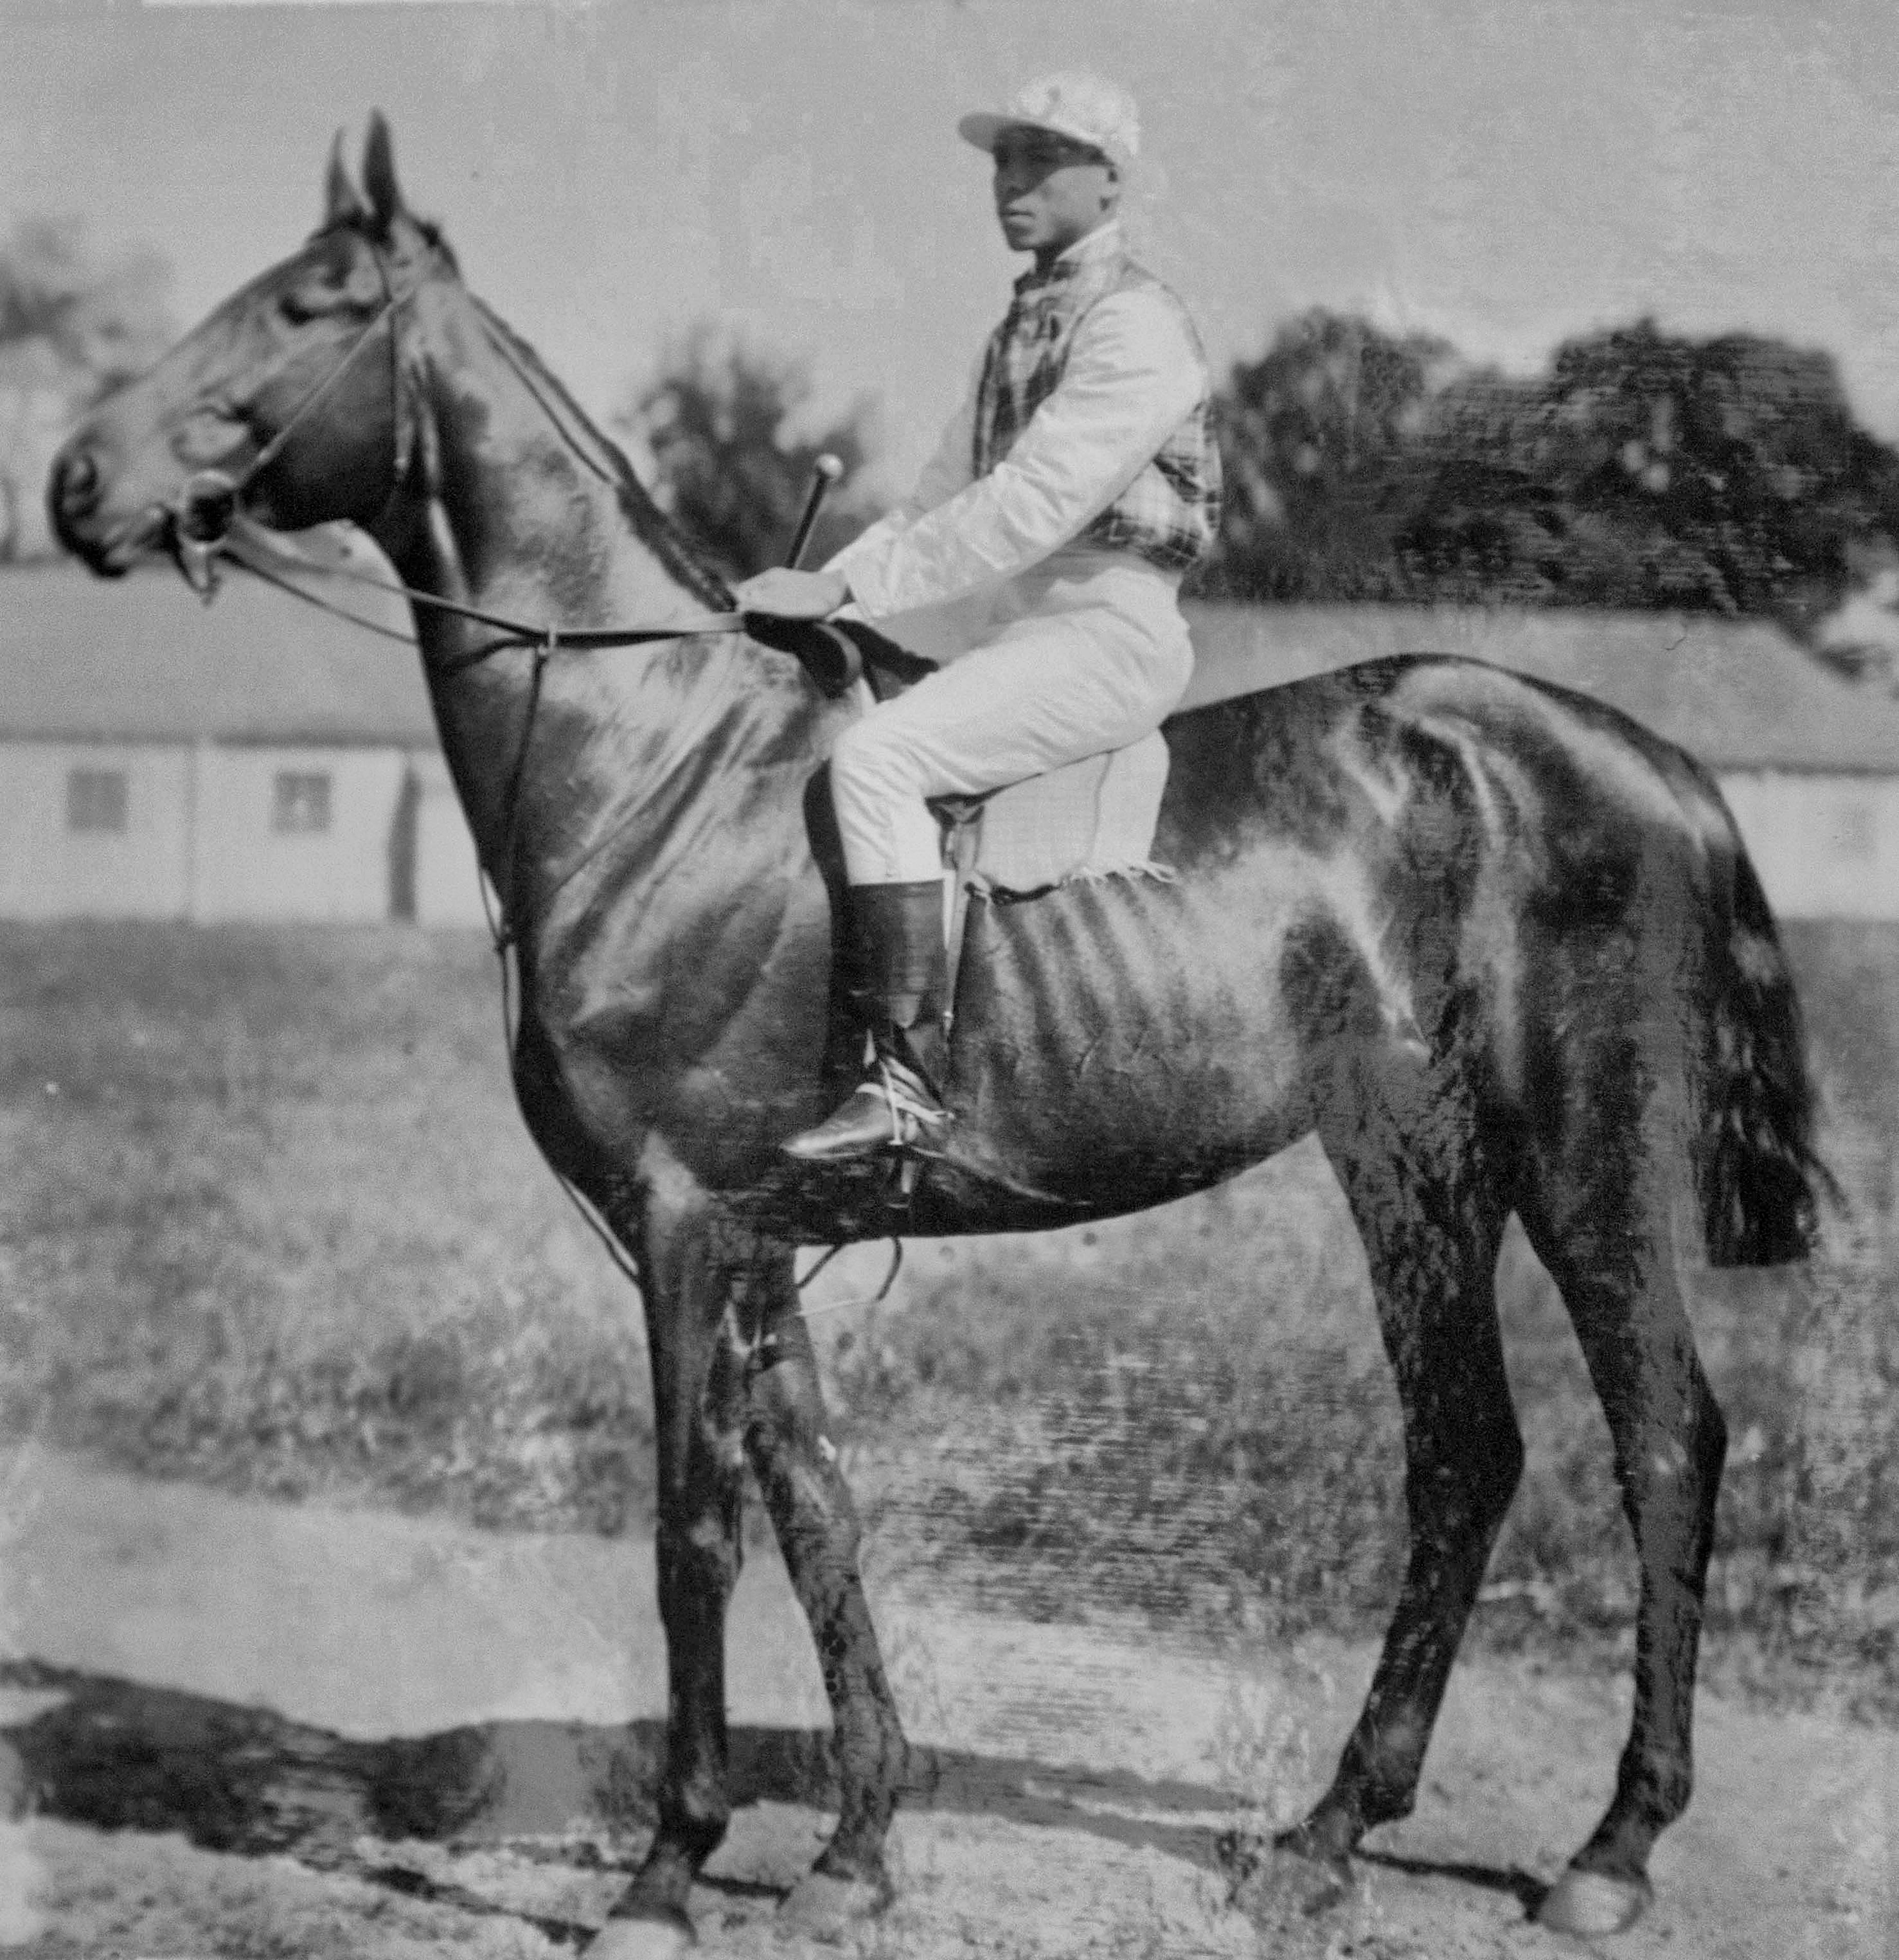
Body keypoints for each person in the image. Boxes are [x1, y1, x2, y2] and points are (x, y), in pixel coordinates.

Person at [734, 71, 1222, 1163]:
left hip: (1108, 632)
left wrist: (846, 588)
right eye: (1002, 159)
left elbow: (1028, 505)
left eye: (1040, 159)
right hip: (1018, 630)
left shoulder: (1135, 324)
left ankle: (905, 1084)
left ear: (1107, 182)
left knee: (872, 764)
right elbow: (929, 504)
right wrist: (826, 589)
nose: (1011, 181)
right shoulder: (1015, 328)